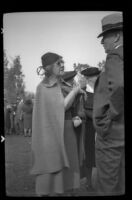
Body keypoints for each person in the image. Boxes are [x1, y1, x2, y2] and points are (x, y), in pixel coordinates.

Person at [31, 52, 84, 196]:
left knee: (68, 169)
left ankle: (65, 191)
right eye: (58, 63)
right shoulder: (43, 87)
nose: (62, 65)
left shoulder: (60, 84)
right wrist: (75, 91)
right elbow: (61, 107)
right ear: (48, 67)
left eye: (62, 62)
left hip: (66, 130)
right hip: (53, 134)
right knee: (54, 165)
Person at [93, 13, 124, 195]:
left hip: (111, 136)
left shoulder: (115, 56)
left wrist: (109, 117)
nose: (102, 42)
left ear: (117, 36)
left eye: (105, 37)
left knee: (107, 185)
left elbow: (119, 85)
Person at [80, 67, 100, 191]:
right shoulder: (82, 92)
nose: (98, 79)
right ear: (88, 79)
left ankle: (102, 181)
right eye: (95, 77)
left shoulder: (103, 91)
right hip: (88, 128)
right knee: (89, 155)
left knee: (102, 154)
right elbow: (81, 110)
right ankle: (89, 182)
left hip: (103, 128)